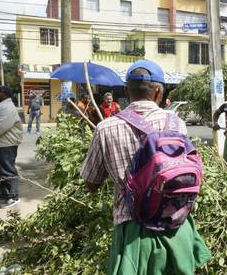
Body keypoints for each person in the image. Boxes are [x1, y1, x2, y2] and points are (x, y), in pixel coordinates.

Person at [81, 60, 210, 274]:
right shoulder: (176, 123)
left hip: (133, 231)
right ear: (159, 92)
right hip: (176, 225)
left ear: (125, 90)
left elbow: (91, 183)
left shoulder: (105, 128)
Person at [0, 86, 23, 209]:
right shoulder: (2, 106)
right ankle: (5, 193)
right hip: (0, 143)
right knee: (2, 170)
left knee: (7, 169)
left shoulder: (7, 107)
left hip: (6, 144)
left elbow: (0, 127)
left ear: (4, 94)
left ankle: (13, 196)